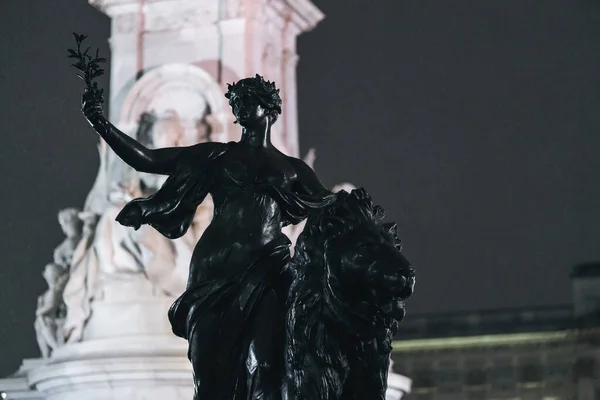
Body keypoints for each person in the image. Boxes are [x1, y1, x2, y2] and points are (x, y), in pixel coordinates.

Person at [80, 74, 334, 399]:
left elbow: (332, 210)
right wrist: (100, 123)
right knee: (210, 380)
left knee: (269, 364)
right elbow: (147, 158)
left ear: (269, 109)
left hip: (269, 270)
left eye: (249, 100)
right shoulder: (218, 156)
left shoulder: (293, 170)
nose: (240, 107)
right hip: (215, 273)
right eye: (237, 102)